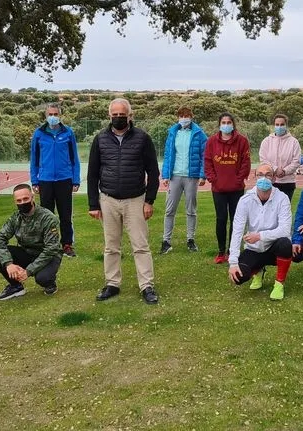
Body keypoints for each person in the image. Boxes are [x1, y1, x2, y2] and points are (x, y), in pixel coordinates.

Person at [88, 98, 161, 305]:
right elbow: (93, 174)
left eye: (122, 115)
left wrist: (149, 201)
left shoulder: (143, 138)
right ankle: (112, 283)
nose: (118, 118)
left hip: (135, 200)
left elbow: (153, 172)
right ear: (109, 115)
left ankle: (147, 285)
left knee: (140, 246)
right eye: (115, 115)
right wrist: (94, 204)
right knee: (111, 246)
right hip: (108, 200)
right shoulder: (100, 139)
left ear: (130, 115)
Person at [227, 164, 294, 300]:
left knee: (286, 243)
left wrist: (259, 236)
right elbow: (237, 231)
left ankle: (279, 284)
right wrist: (233, 262)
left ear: (274, 178)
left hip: (274, 248)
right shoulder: (245, 200)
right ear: (255, 177)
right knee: (238, 278)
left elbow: (285, 229)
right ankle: (258, 270)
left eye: (268, 175)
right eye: (260, 174)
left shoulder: (282, 198)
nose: (264, 178)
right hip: (254, 249)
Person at [0, 184, 63, 300]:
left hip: (48, 256)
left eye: (25, 199)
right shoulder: (15, 218)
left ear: (32, 197)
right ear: (15, 202)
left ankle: (50, 283)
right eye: (18, 200)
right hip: (27, 252)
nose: (22, 202)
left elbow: (51, 249)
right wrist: (8, 264)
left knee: (43, 278)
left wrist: (28, 271)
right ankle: (16, 286)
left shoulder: (48, 218)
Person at [29, 103, 80, 258]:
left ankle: (67, 245)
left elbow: (74, 158)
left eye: (55, 114)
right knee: (47, 214)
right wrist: (34, 181)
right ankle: (49, 244)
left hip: (65, 179)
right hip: (45, 180)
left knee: (65, 214)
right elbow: (34, 159)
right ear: (46, 116)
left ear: (60, 115)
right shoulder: (39, 134)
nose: (53, 117)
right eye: (50, 114)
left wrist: (75, 179)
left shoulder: (68, 133)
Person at [204, 112, 251, 264]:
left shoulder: (242, 141)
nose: (226, 125)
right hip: (218, 189)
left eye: (228, 122)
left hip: (236, 188)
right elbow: (208, 161)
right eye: (223, 122)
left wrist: (238, 180)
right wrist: (213, 179)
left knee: (236, 220)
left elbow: (245, 162)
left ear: (233, 124)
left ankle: (233, 251)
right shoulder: (211, 141)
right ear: (219, 124)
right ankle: (220, 251)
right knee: (221, 219)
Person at [160, 106, 208, 254]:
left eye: (186, 115)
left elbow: (204, 156)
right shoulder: (172, 133)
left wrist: (202, 175)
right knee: (169, 210)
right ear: (178, 117)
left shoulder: (199, 134)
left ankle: (190, 240)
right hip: (174, 176)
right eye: (181, 115)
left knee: (191, 210)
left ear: (191, 117)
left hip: (191, 177)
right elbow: (168, 155)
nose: (184, 118)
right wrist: (166, 175)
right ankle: (166, 241)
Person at [259, 114, 302, 201]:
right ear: (273, 125)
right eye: (277, 124)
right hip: (270, 181)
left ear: (286, 125)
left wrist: (284, 171)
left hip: (288, 182)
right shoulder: (266, 141)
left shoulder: (294, 142)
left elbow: (296, 161)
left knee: (284, 211)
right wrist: (275, 169)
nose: (279, 127)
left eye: (282, 124)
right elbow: (263, 159)